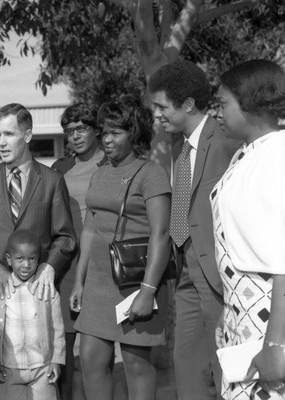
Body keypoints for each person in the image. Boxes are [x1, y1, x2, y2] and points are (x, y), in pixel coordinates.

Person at [0, 102, 77, 400]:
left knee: (47, 379)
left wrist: (49, 267)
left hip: (39, 296)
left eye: (9, 134)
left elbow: (65, 236)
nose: (1, 142)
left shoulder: (52, 180)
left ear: (27, 135)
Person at [148, 60, 240, 400]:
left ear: (187, 103)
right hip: (185, 270)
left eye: (161, 106)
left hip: (220, 274)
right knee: (186, 363)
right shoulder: (177, 147)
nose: (156, 114)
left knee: (226, 366)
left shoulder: (228, 140)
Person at [70, 96, 172, 400]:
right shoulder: (101, 171)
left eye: (116, 132)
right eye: (104, 132)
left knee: (136, 365)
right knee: (89, 360)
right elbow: (90, 227)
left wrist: (148, 290)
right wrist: (79, 279)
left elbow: (162, 233)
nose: (107, 139)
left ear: (135, 133)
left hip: (136, 281)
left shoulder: (151, 173)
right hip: (99, 284)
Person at [212, 59, 285, 400]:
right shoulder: (247, 153)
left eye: (223, 103)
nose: (218, 113)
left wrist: (275, 345)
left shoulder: (277, 156)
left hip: (269, 320)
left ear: (250, 102)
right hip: (244, 319)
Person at [51, 103, 104, 400]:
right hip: (69, 262)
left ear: (97, 130)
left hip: (103, 259)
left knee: (98, 343)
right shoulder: (60, 168)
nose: (75, 136)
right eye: (70, 131)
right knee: (65, 339)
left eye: (82, 128)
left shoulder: (112, 162)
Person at [0, 229, 65, 400]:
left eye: (32, 259)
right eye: (20, 259)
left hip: (42, 368)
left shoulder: (47, 289)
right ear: (9, 259)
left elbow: (57, 328)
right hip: (10, 368)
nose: (26, 265)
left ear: (39, 259)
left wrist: (56, 360)